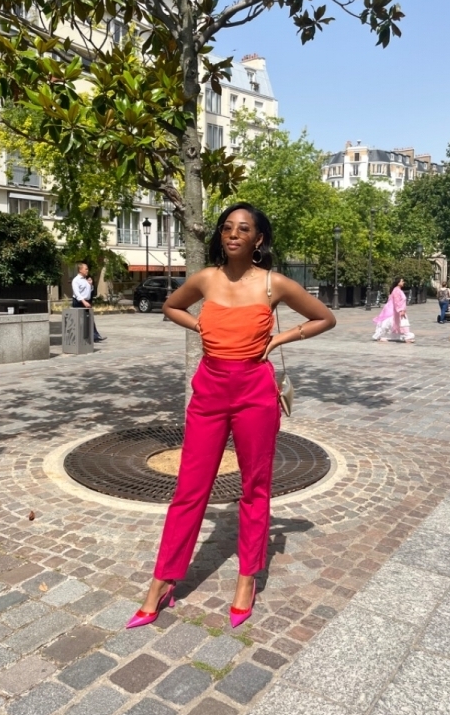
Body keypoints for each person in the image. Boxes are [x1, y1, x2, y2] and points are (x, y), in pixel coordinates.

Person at [126, 203, 335, 630]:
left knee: (255, 486)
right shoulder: (206, 279)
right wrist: (199, 327)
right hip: (209, 391)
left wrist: (279, 339)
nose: (233, 234)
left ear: (258, 239)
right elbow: (172, 306)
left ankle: (247, 578)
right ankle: (161, 581)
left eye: (243, 229)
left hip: (255, 392)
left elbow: (324, 318)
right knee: (190, 488)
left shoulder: (274, 284)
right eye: (227, 228)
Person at [372, 277, 415, 342]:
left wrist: (402, 310)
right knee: (391, 323)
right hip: (394, 310)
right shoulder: (396, 290)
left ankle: (403, 336)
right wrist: (400, 310)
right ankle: (382, 336)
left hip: (399, 310)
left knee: (399, 324)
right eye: (402, 281)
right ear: (398, 282)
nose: (403, 282)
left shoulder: (399, 290)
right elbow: (396, 302)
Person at [71, 262, 106, 343]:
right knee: (81, 320)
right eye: (86, 269)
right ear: (80, 270)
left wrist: (90, 285)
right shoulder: (76, 280)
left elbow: (89, 291)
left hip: (87, 301)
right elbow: (77, 293)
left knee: (89, 318)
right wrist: (84, 302)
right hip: (79, 302)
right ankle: (81, 337)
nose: (87, 270)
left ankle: (95, 336)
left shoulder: (86, 280)